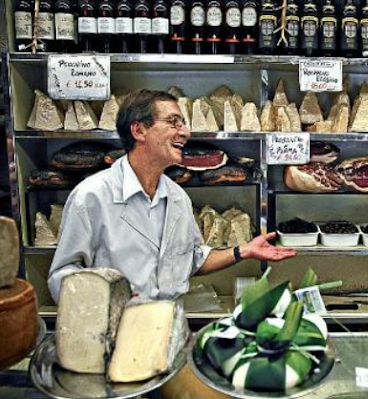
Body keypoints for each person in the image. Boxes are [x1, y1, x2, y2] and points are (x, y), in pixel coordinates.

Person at [48, 89, 296, 303]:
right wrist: (105, 302)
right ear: (139, 130)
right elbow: (62, 275)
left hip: (168, 327)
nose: (185, 132)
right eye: (174, 122)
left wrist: (243, 251)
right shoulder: (92, 196)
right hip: (113, 334)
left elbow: (192, 259)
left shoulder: (177, 197)